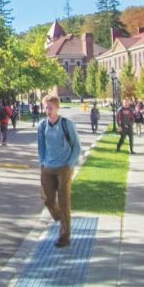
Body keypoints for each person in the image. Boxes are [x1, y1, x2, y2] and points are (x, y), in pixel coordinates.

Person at [35, 94, 83, 247]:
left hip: (64, 167)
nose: (47, 110)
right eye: (45, 107)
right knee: (47, 199)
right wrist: (42, 162)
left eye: (50, 107)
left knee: (64, 201)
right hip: (48, 167)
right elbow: (41, 146)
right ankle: (61, 218)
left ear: (57, 108)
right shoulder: (42, 125)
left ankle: (64, 236)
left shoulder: (66, 124)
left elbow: (77, 146)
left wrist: (70, 164)